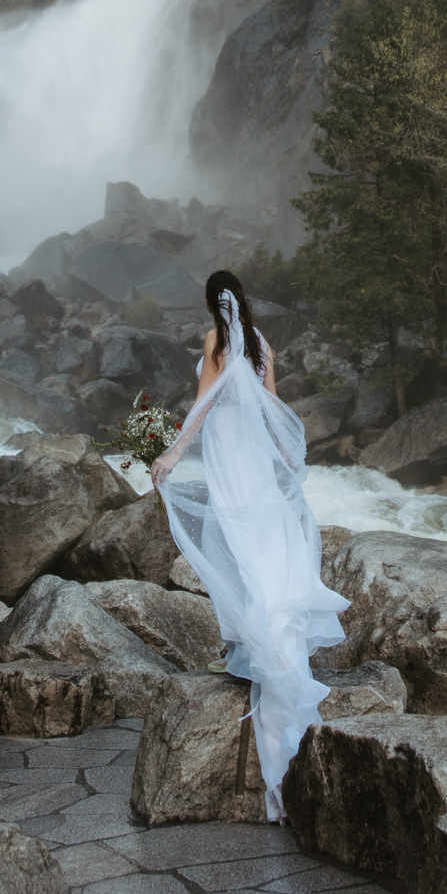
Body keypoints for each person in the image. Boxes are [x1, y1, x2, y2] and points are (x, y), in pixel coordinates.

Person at [151, 269, 349, 821]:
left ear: (215, 303)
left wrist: (171, 454)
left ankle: (247, 647)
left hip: (230, 456)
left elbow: (204, 404)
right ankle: (250, 644)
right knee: (260, 541)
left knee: (234, 545)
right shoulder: (263, 344)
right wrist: (288, 458)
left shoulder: (216, 339)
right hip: (256, 456)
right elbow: (272, 407)